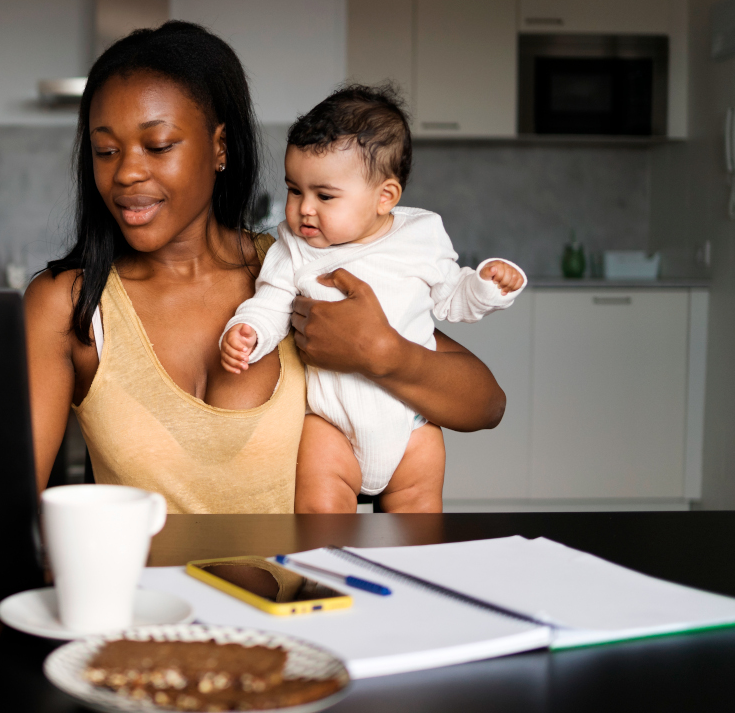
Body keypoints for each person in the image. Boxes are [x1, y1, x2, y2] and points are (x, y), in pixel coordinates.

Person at [25, 21, 507, 514]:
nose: (125, 172)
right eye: (105, 151)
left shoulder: (300, 265)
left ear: (220, 147)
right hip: (152, 593)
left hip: (306, 593)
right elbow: (9, 510)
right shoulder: (68, 303)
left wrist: (382, 354)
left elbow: (486, 405)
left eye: (159, 145)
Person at [220, 84, 526, 514]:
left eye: (324, 196)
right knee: (322, 518)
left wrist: (486, 286)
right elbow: (271, 300)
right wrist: (248, 331)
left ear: (385, 197)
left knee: (417, 523)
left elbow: (452, 299)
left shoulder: (420, 236)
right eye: (294, 190)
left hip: (413, 424)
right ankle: (326, 572)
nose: (304, 209)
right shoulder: (294, 246)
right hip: (332, 426)